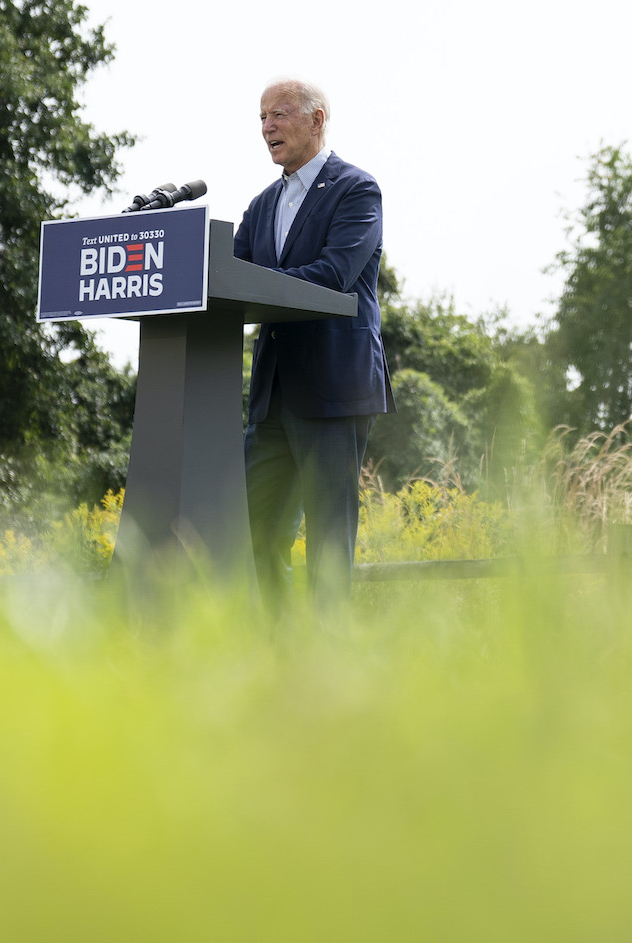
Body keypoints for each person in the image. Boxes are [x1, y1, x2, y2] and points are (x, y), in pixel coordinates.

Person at [236, 78, 393, 605]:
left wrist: (262, 285)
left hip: (332, 391)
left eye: (279, 115)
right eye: (261, 118)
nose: (267, 128)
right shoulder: (260, 206)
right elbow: (231, 279)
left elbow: (334, 273)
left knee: (328, 541)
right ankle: (281, 656)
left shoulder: (356, 190)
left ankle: (330, 668)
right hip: (272, 399)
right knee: (253, 534)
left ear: (317, 120)